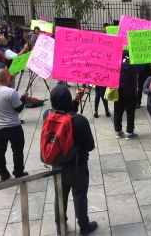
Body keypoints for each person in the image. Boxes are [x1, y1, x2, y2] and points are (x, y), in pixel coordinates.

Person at [44, 85, 98, 235]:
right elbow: (90, 146)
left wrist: (75, 100)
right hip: (77, 167)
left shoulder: (47, 115)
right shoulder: (80, 120)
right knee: (79, 196)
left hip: (57, 165)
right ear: (68, 99)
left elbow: (62, 113)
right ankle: (84, 226)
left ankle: (60, 226)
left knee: (60, 196)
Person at [0, 69, 29, 181]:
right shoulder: (11, 92)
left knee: (0, 151)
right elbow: (18, 109)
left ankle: (3, 173)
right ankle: (18, 171)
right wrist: (23, 98)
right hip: (14, 126)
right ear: (7, 78)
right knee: (17, 150)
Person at [114, 51, 142, 139]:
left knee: (118, 112)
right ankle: (129, 132)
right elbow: (142, 66)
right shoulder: (134, 65)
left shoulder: (116, 64)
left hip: (118, 93)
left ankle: (118, 131)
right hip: (131, 93)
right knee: (130, 113)